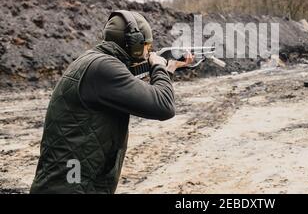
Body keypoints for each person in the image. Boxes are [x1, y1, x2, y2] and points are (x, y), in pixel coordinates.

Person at [30, 10, 192, 194]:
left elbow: (135, 87)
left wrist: (168, 69)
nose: (149, 52)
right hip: (70, 185)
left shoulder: (94, 61)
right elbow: (163, 106)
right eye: (147, 45)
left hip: (73, 180)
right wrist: (159, 67)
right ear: (134, 43)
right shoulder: (104, 68)